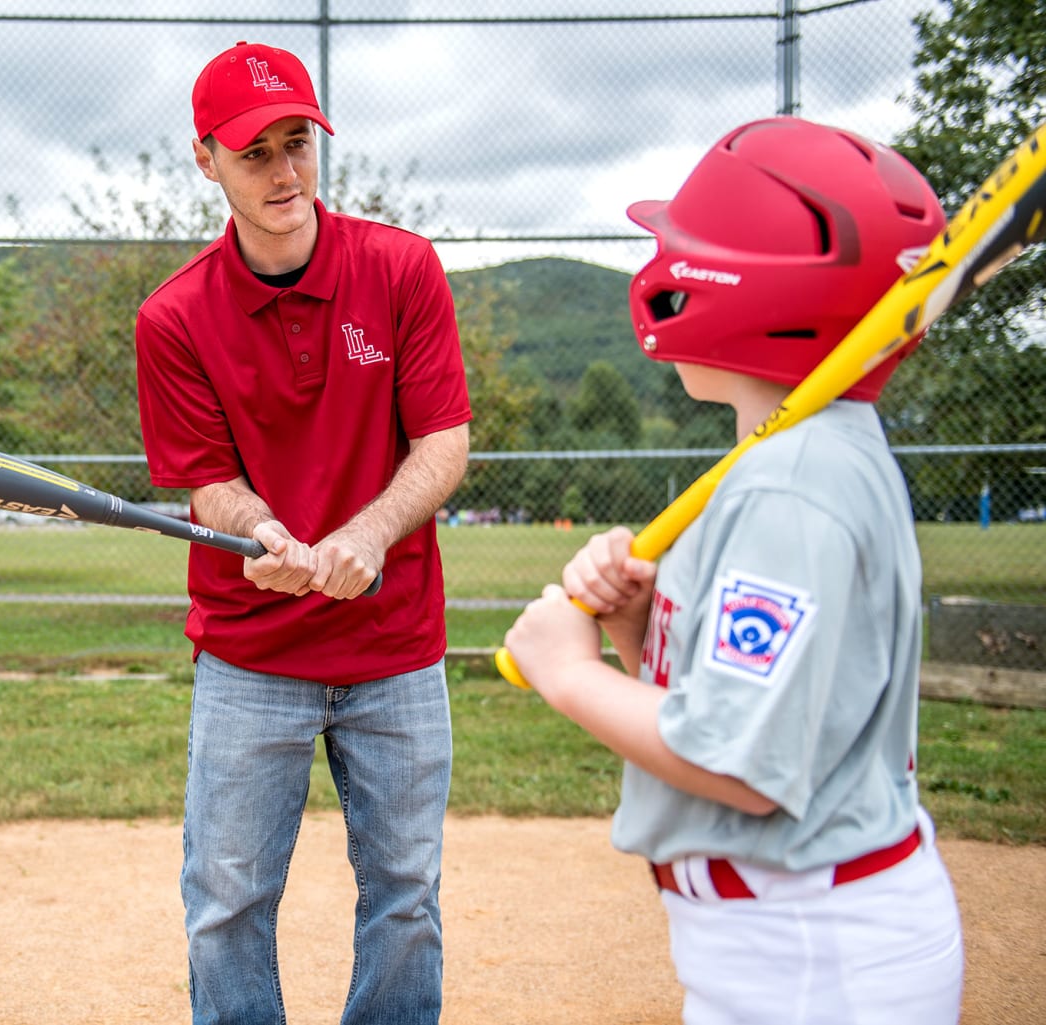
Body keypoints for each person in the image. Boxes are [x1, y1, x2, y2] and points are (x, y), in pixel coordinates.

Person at [501, 117, 966, 1024]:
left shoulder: (791, 485)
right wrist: (644, 629)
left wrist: (569, 671)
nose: (663, 265)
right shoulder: (800, 454)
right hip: (794, 942)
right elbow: (765, 707)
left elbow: (738, 760)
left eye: (683, 246)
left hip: (812, 958)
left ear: (737, 287)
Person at [134, 40, 472, 1025]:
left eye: (298, 143)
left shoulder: (401, 269)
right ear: (205, 160)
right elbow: (207, 482)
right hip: (252, 645)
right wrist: (265, 533)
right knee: (227, 903)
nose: (284, 173)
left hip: (394, 639)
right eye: (255, 153)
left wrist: (367, 534)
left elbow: (442, 443)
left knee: (406, 896)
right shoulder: (175, 317)